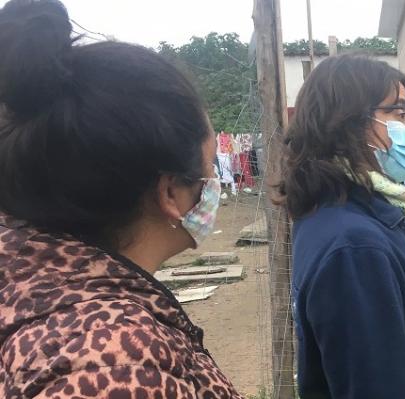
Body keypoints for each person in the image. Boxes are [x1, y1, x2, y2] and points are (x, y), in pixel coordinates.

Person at [0, 1, 242, 397]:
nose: (214, 180)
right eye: (209, 166)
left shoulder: (44, 296)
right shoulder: (115, 361)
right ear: (168, 192)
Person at [278, 54, 405, 398]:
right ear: (348, 123)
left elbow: (397, 224)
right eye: (398, 114)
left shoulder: (345, 209)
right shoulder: (354, 250)